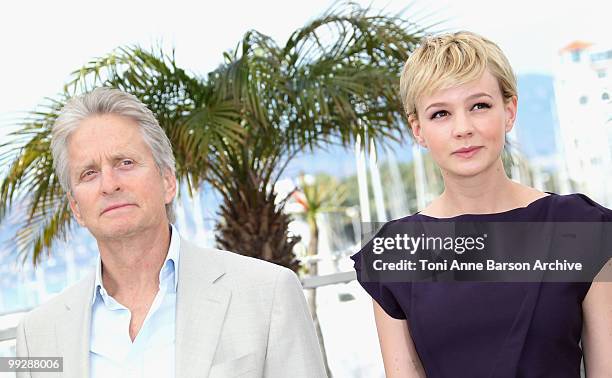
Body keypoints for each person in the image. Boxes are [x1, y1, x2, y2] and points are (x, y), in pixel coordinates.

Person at [15, 87, 327, 378]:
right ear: (76, 208)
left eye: (125, 162)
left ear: (167, 181)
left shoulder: (268, 293)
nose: (109, 184)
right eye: (89, 173)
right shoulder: (38, 335)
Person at [351, 31, 612, 377]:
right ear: (418, 130)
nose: (463, 128)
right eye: (441, 114)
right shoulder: (397, 252)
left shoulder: (581, 228)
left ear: (509, 111)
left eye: (479, 106)